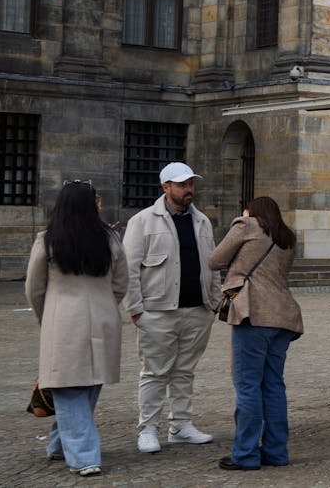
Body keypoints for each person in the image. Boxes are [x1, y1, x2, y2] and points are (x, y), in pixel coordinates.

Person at [25, 181, 129, 477]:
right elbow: (122, 283)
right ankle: (60, 445)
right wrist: (107, 305)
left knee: (70, 389)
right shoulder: (110, 239)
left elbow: (34, 288)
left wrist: (47, 317)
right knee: (84, 386)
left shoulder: (48, 240)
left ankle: (84, 457)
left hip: (63, 322)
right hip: (103, 319)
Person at [122, 162, 221, 453]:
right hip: (157, 311)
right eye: (182, 185)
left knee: (184, 371)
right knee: (154, 372)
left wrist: (213, 302)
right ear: (165, 187)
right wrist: (136, 309)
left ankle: (181, 425)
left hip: (197, 309)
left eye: (190, 184)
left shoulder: (202, 220)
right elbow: (129, 268)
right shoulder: (142, 221)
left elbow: (213, 265)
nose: (188, 189)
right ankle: (148, 428)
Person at [209, 197, 303, 471]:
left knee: (247, 385)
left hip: (254, 315)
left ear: (252, 212)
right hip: (282, 317)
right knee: (273, 385)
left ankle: (245, 454)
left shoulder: (246, 225)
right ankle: (275, 452)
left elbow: (215, 260)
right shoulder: (287, 237)